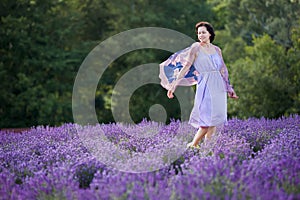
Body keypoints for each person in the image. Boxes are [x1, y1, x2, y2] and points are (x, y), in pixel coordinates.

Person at [159, 21, 238, 148]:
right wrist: (174, 85)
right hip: (205, 84)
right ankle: (193, 144)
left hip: (219, 85)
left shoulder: (217, 49)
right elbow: (186, 67)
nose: (200, 35)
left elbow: (223, 69)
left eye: (203, 32)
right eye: (199, 33)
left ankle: (207, 149)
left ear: (210, 34)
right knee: (206, 119)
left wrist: (229, 88)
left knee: (216, 120)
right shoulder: (195, 48)